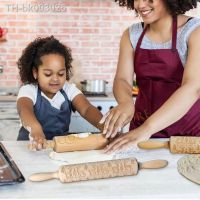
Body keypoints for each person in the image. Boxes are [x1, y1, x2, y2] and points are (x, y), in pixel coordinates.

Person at [100, 0, 200, 153]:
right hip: (141, 134)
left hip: (188, 136)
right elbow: (123, 80)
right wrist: (126, 102)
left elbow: (192, 88)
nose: (140, 5)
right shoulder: (132, 35)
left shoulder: (194, 32)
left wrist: (146, 129)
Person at [17, 36, 103, 150]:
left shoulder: (68, 90)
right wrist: (36, 129)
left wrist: (104, 125)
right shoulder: (29, 90)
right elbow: (24, 110)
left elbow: (86, 109)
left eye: (61, 73)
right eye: (48, 74)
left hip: (57, 150)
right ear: (35, 72)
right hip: (29, 148)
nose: (55, 79)